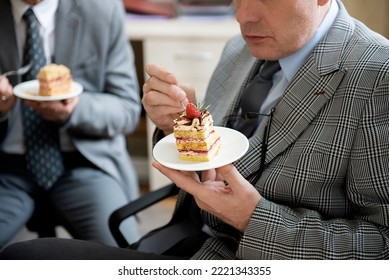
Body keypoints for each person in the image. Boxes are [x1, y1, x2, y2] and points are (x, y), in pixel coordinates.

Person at [1, 0, 389, 260]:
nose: (243, 16)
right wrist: (176, 127)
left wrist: (252, 217)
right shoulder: (241, 49)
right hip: (185, 239)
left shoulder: (378, 76)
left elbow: (381, 246)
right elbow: (212, 157)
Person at [0, 0, 142, 248]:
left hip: (85, 162)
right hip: (6, 169)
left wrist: (73, 109)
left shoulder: (102, 9)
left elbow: (127, 109)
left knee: (128, 257)